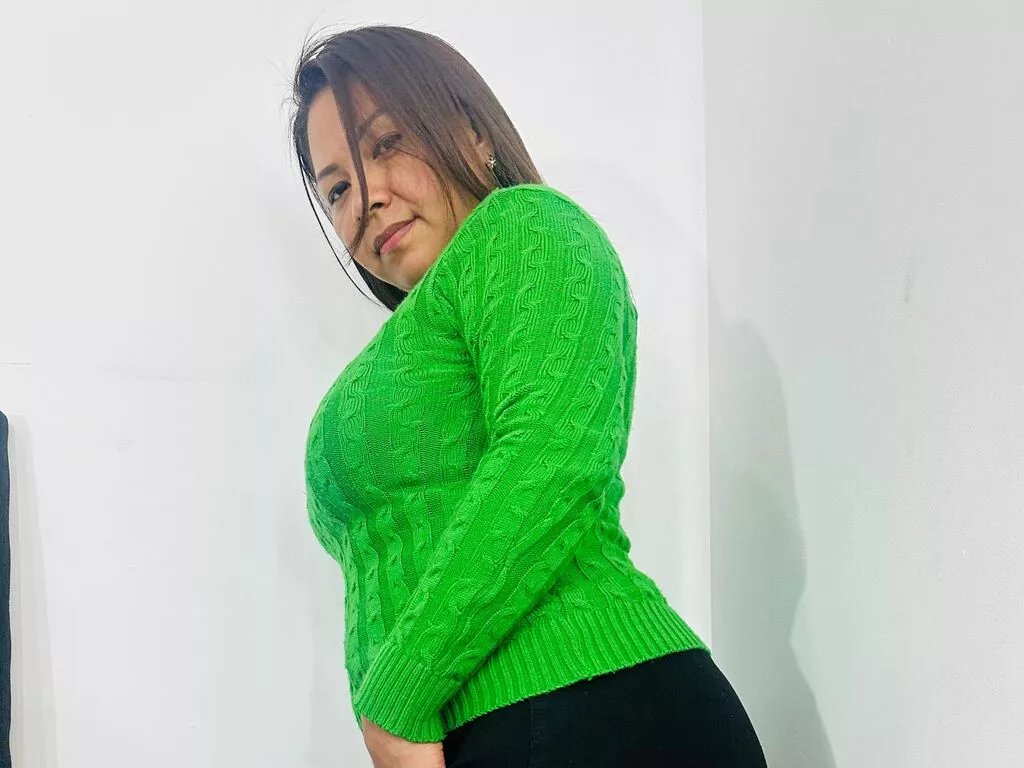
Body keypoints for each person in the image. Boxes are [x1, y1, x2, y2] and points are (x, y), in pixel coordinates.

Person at [288, 23, 767, 768]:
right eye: (338, 188)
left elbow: (552, 454)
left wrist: (395, 698)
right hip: (493, 730)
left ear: (472, 132)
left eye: (386, 144)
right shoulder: (415, 335)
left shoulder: (525, 227)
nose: (368, 199)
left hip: (592, 709)